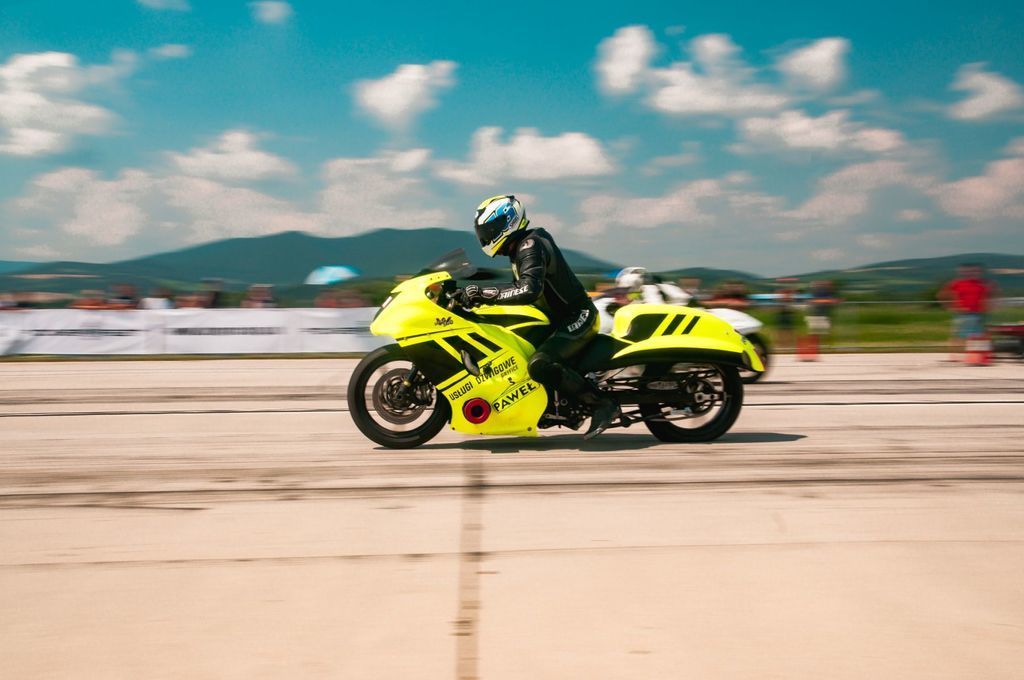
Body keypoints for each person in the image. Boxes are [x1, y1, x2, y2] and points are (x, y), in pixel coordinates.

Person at [454, 195, 619, 439]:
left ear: (507, 222)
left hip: (577, 316)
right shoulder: (521, 247)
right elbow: (516, 287)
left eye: (489, 230)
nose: (486, 237)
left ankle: (602, 404)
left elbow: (528, 289)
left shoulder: (530, 245)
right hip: (556, 319)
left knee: (540, 364)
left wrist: (483, 293)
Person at [939, 264, 997, 359]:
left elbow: (990, 295)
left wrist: (989, 306)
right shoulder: (956, 283)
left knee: (981, 334)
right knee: (959, 334)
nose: (973, 273)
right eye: (969, 271)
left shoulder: (983, 284)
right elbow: (942, 295)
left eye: (976, 271)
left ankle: (981, 354)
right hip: (963, 314)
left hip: (979, 313)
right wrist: (951, 307)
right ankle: (954, 355)